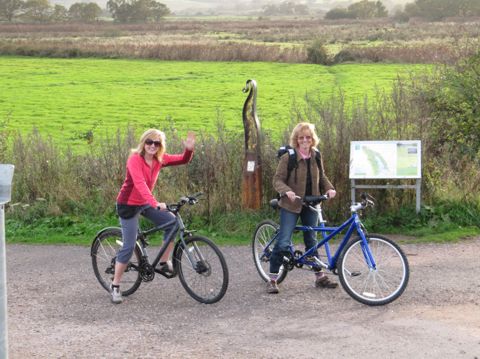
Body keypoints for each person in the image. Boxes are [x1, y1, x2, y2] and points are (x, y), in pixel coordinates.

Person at [111, 129, 195, 304]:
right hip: (128, 205)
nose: (152, 146)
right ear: (143, 142)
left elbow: (183, 159)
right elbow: (140, 184)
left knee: (172, 223)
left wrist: (188, 149)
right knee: (128, 245)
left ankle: (163, 263)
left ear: (160, 146)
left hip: (145, 202)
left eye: (157, 143)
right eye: (149, 142)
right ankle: (116, 286)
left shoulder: (159, 159)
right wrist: (155, 202)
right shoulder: (134, 159)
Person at [268, 122, 337, 294]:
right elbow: (277, 180)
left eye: (308, 137)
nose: (305, 140)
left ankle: (319, 276)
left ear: (313, 139)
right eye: (301, 137)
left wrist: (329, 188)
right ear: (296, 140)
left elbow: (322, 177)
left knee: (311, 241)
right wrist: (288, 191)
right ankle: (272, 278)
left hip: (311, 204)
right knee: (283, 242)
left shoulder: (316, 155)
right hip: (291, 205)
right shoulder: (288, 157)